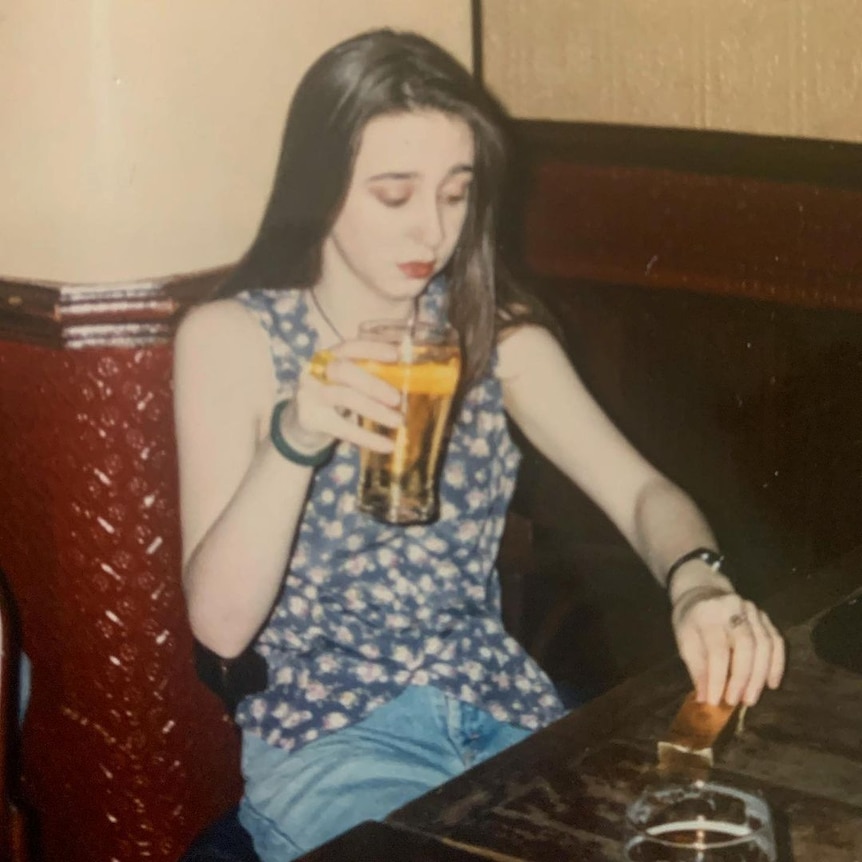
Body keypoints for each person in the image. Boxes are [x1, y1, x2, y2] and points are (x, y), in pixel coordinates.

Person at [173, 29, 785, 862]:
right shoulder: (231, 338)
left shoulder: (496, 338)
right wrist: (296, 435)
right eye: (395, 194)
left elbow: (645, 495)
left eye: (457, 194)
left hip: (503, 711)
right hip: (332, 741)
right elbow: (220, 628)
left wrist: (694, 585)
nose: (433, 228)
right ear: (319, 187)